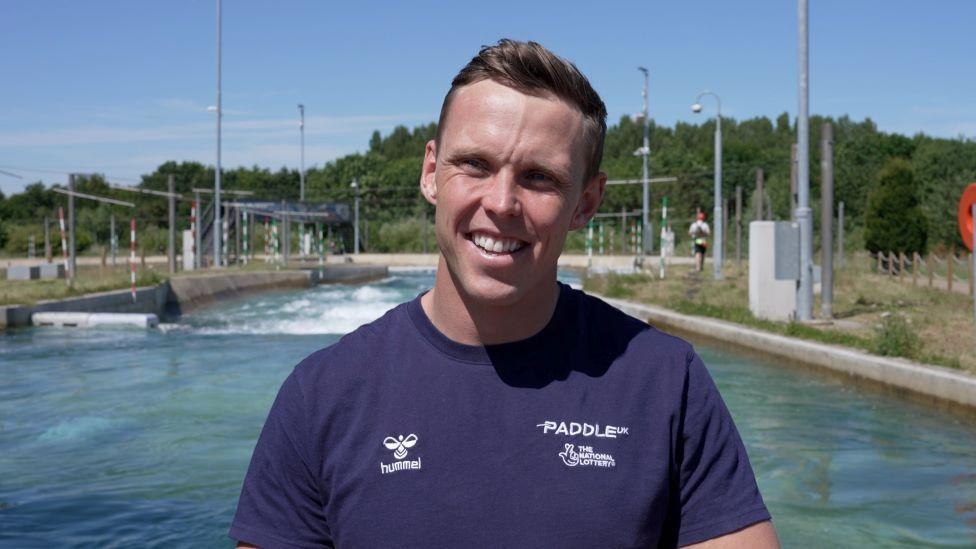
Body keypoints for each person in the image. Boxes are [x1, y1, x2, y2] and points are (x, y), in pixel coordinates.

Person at [230, 39, 778, 548]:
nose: (502, 203)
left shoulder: (665, 383)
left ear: (586, 203)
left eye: (539, 178)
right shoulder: (322, 395)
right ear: (430, 173)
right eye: (475, 165)